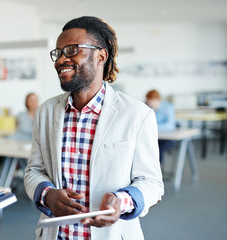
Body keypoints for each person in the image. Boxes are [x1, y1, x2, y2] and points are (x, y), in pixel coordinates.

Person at [24, 16, 164, 239]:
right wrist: (47, 194)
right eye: (58, 53)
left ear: (101, 56)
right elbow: (34, 170)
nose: (60, 60)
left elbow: (152, 183)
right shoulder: (46, 112)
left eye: (71, 50)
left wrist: (122, 201)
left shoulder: (137, 114)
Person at [146, 89, 176, 164]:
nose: (149, 103)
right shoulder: (149, 109)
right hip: (155, 137)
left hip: (167, 138)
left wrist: (153, 127)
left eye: (151, 101)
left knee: (158, 149)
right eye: (148, 101)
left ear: (158, 100)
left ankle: (158, 170)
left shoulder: (168, 107)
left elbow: (170, 125)